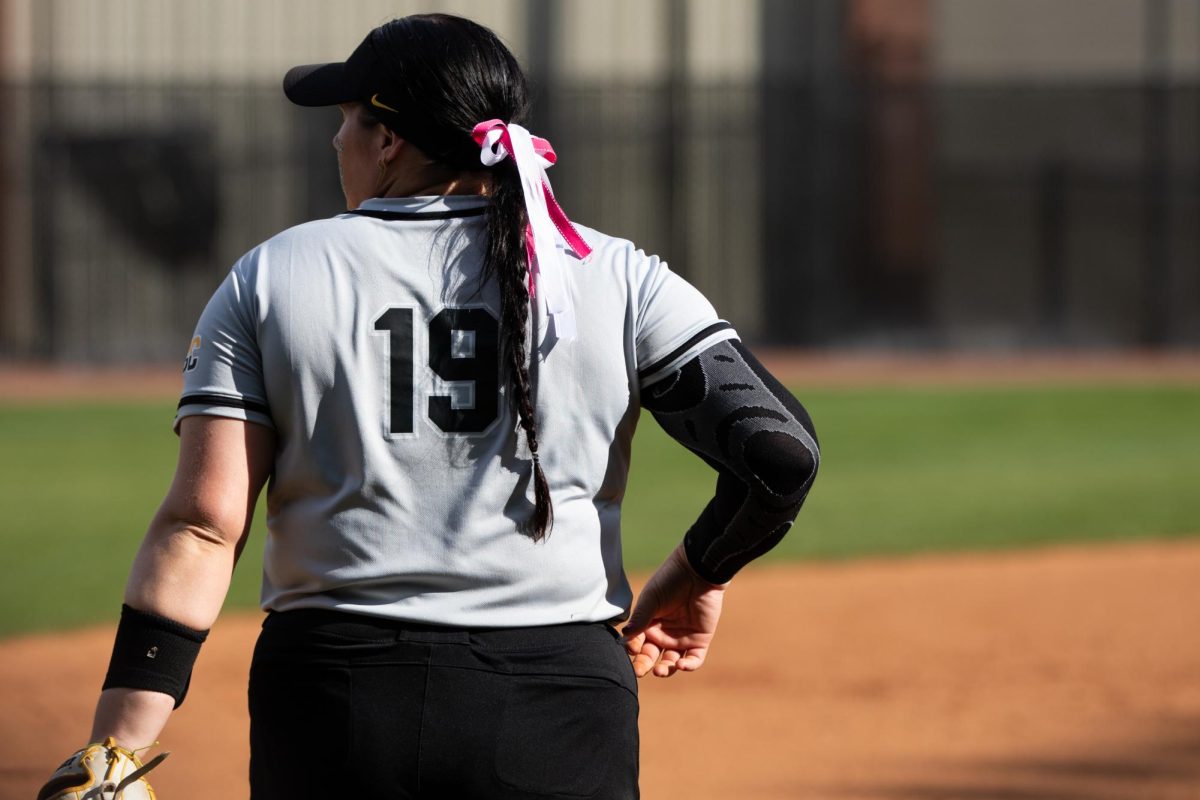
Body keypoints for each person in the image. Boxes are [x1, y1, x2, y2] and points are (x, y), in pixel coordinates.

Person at [38, 13, 818, 800]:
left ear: (388, 142)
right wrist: (694, 571)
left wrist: (116, 746)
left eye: (346, 119)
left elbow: (203, 526)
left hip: (334, 699)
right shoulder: (615, 274)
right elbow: (779, 454)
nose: (334, 139)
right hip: (556, 704)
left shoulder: (271, 275)